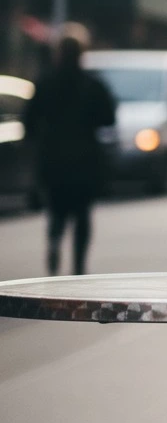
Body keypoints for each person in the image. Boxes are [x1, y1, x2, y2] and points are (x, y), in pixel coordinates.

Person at [23, 33, 116, 276]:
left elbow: (29, 121)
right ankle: (78, 265)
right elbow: (109, 118)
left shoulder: (45, 83)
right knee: (82, 215)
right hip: (84, 160)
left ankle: (54, 242)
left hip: (53, 160)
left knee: (56, 210)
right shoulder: (92, 85)